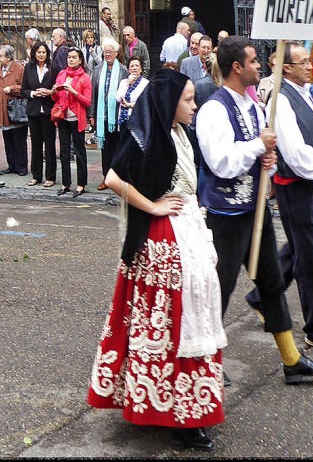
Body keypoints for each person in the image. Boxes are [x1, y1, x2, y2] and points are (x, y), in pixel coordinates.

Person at [88, 70, 225, 452]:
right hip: (163, 240)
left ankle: (182, 405)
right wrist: (152, 206)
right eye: (188, 99)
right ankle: (176, 412)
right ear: (169, 102)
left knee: (191, 314)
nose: (194, 106)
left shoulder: (180, 133)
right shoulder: (149, 135)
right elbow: (113, 178)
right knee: (170, 323)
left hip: (188, 230)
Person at [197, 36, 313, 387]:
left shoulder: (256, 107)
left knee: (272, 284)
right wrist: (259, 146)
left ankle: (291, 360)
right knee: (220, 290)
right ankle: (205, 362)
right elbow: (221, 163)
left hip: (257, 210)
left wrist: (268, 163)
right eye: (254, 61)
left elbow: (260, 159)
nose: (260, 66)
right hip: (226, 217)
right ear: (237, 67)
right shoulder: (214, 110)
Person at [266, 42, 313, 356]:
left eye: (309, 61)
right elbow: (295, 154)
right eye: (302, 62)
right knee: (308, 256)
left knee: (298, 248)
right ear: (286, 68)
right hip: (295, 186)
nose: (310, 66)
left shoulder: (308, 95)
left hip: (311, 184)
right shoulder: (281, 100)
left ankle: (260, 297)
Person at [52, 47, 92, 197]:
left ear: (80, 60)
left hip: (76, 118)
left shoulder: (84, 77)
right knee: (64, 152)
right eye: (69, 57)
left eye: (74, 57)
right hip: (63, 116)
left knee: (79, 150)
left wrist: (74, 92)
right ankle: (65, 183)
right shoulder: (62, 74)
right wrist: (54, 91)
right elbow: (55, 98)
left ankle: (81, 184)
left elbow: (87, 101)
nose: (71, 59)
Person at [90, 38, 127, 191]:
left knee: (118, 147)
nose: (108, 54)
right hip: (102, 116)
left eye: (110, 52)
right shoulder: (97, 70)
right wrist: (91, 114)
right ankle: (106, 178)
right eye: (105, 52)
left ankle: (118, 177)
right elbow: (93, 93)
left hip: (117, 117)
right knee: (105, 149)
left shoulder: (123, 70)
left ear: (116, 53)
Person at [21, 41, 58, 188]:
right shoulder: (28, 67)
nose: (41, 55)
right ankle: (36, 175)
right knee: (36, 144)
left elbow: (58, 88)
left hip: (48, 110)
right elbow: (23, 89)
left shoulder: (53, 67)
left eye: (43, 52)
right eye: (39, 52)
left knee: (49, 145)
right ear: (34, 53)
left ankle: (51, 176)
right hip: (34, 111)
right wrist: (33, 93)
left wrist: (50, 92)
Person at [0, 44, 28, 177]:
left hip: (16, 109)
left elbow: (24, 88)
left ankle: (22, 166)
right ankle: (12, 165)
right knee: (7, 139)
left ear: (9, 57)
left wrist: (12, 88)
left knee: (19, 140)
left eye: (1, 55)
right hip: (3, 110)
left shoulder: (19, 69)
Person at [115, 55, 147, 129]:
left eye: (137, 66)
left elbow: (146, 103)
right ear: (129, 70)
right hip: (123, 119)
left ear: (141, 69)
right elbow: (118, 98)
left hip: (138, 120)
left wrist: (131, 105)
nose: (134, 68)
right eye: (132, 66)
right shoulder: (124, 82)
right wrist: (127, 84)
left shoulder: (145, 83)